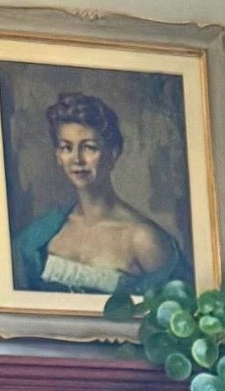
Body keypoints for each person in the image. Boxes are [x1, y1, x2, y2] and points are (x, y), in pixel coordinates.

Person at [10, 91, 186, 296]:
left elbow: (179, 314)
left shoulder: (143, 239)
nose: (77, 159)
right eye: (67, 148)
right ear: (58, 156)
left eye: (89, 148)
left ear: (113, 153)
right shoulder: (42, 233)